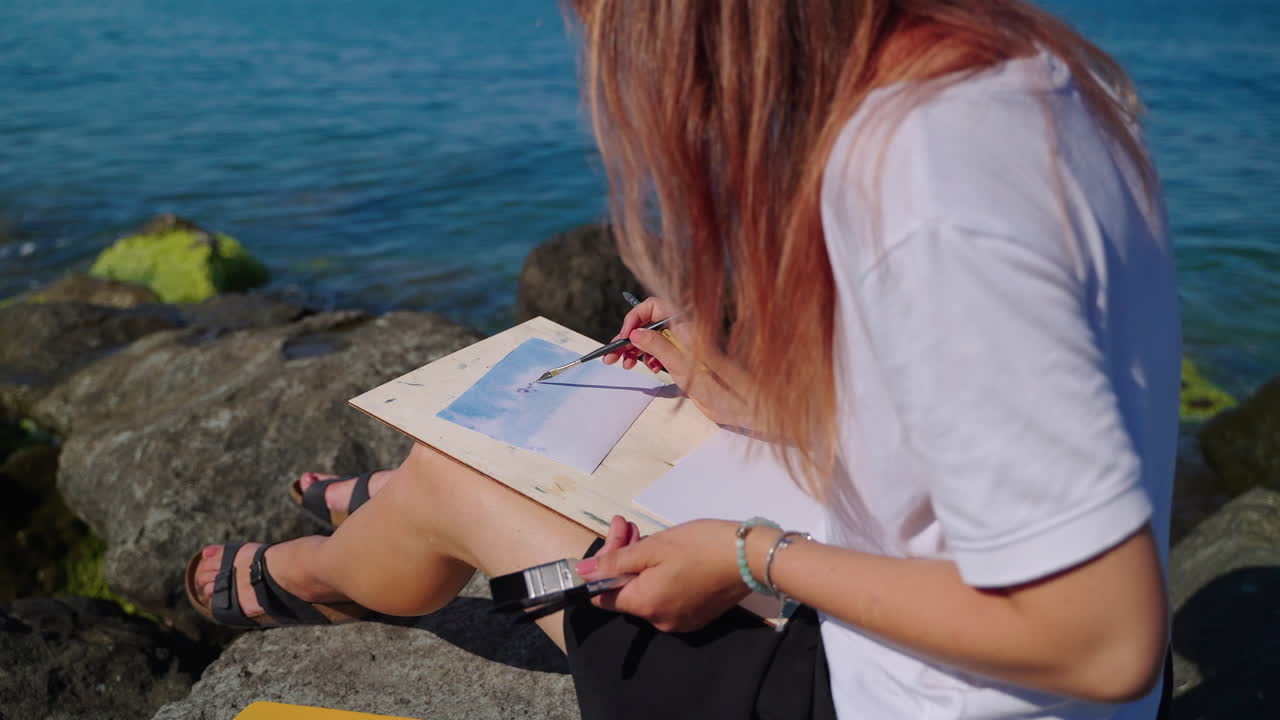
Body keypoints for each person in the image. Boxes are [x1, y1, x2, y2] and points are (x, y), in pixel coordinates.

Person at [186, 1, 1179, 718]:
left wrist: (747, 554)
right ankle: (377, 518)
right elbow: (963, 424)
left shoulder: (920, 182)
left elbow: (1098, 640)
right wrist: (746, 382)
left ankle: (323, 569)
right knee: (648, 408)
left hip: (881, 694)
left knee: (452, 474)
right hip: (946, 651)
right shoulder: (1014, 76)